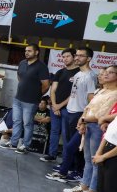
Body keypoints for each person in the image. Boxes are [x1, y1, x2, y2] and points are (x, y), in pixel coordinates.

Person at [46, 47, 97, 183]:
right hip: (70, 111)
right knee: (68, 143)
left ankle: (77, 171)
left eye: (81, 56)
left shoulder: (90, 76)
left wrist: (84, 117)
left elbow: (91, 99)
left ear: (89, 59)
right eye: (77, 55)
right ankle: (68, 167)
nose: (77, 58)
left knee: (75, 146)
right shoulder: (79, 74)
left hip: (79, 113)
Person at [10, 44, 50, 154]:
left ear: (36, 52)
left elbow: (46, 85)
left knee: (27, 124)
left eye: (29, 51)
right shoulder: (22, 63)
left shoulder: (41, 66)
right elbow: (20, 77)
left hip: (31, 101)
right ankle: (13, 143)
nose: (26, 52)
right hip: (18, 98)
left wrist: (36, 94)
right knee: (17, 121)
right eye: (26, 51)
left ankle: (25, 146)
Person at [42, 48, 79, 162]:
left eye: (67, 56)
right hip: (55, 107)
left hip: (69, 109)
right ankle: (51, 155)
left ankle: (65, 160)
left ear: (74, 57)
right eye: (63, 57)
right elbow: (53, 90)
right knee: (54, 131)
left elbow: (75, 93)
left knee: (66, 134)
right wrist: (54, 105)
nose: (65, 59)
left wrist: (60, 105)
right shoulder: (60, 72)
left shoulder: (79, 73)